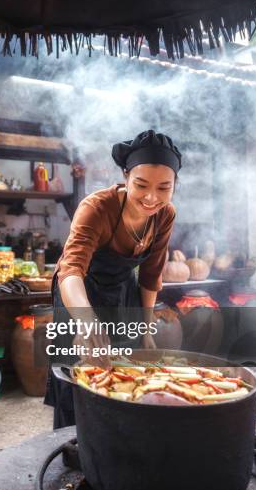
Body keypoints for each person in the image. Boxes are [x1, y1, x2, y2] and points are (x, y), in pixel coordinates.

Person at [44, 129, 182, 428]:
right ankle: (72, 445)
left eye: (164, 188)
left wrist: (144, 327)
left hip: (123, 290)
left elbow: (150, 273)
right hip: (79, 291)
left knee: (126, 369)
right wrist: (86, 320)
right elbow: (71, 270)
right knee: (76, 377)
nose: (151, 197)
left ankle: (120, 439)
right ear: (125, 175)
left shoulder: (165, 214)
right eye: (141, 185)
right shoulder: (97, 207)